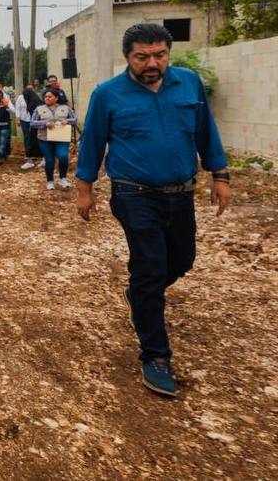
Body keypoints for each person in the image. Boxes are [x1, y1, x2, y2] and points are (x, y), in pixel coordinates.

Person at [76, 23, 230, 397]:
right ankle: (156, 355)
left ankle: (143, 295)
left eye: (159, 55)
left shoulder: (188, 84)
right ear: (128, 57)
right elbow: (93, 142)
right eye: (142, 56)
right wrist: (85, 190)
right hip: (134, 194)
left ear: (168, 54)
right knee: (150, 266)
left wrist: (220, 175)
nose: (152, 63)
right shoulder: (108, 94)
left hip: (181, 193)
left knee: (183, 260)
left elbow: (206, 131)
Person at [30, 88, 78, 190]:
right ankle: (50, 181)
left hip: (61, 138)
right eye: (46, 96)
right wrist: (45, 123)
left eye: (49, 96)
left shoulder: (65, 108)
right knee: (50, 160)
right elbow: (32, 123)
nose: (47, 98)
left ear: (56, 98)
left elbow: (74, 119)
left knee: (63, 156)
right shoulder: (39, 109)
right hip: (44, 139)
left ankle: (63, 179)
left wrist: (67, 121)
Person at [15, 85, 43, 170]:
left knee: (35, 140)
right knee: (29, 139)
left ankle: (34, 160)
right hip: (31, 122)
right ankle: (31, 159)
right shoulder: (31, 99)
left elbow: (36, 115)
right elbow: (18, 108)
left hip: (36, 124)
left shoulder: (34, 101)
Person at [0, 89, 15, 163]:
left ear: (2, 97)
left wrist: (7, 106)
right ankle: (2, 154)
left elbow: (13, 111)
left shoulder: (6, 102)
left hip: (5, 126)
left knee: (3, 141)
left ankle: (0, 157)